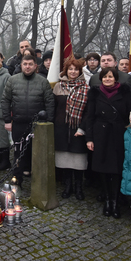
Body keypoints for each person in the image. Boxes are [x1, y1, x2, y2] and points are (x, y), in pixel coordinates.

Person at [84, 66, 131, 218]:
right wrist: (89, 138)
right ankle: (107, 199)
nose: (107, 79)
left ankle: (115, 200)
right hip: (101, 134)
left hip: (118, 134)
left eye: (111, 76)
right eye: (105, 77)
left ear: (116, 78)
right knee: (103, 168)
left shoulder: (124, 92)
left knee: (116, 169)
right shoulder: (95, 93)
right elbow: (89, 117)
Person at [2, 50, 54, 183]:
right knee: (18, 153)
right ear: (21, 65)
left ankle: (38, 182)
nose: (27, 66)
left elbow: (49, 103)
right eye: (25, 64)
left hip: (37, 125)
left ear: (35, 65)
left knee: (37, 153)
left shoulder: (43, 82)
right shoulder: (13, 80)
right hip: (18, 123)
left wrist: (48, 122)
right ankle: (17, 179)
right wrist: (7, 120)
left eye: (30, 64)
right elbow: (5, 100)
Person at [52, 57, 90, 200]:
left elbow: (88, 111)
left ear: (80, 71)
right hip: (61, 129)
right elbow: (53, 108)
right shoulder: (58, 86)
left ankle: (79, 188)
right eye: (70, 69)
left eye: (76, 69)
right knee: (65, 161)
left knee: (78, 161)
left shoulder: (86, 87)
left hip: (78, 130)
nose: (73, 72)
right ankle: (68, 186)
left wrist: (82, 128)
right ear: (66, 71)